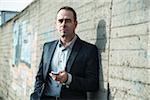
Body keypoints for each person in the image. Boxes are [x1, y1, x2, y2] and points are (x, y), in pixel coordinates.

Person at [30, 6, 99, 100]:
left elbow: (93, 84)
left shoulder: (89, 50)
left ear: (75, 24)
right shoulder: (47, 47)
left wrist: (68, 79)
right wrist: (35, 97)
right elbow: (40, 77)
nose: (63, 24)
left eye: (68, 20)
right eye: (60, 21)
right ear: (56, 24)